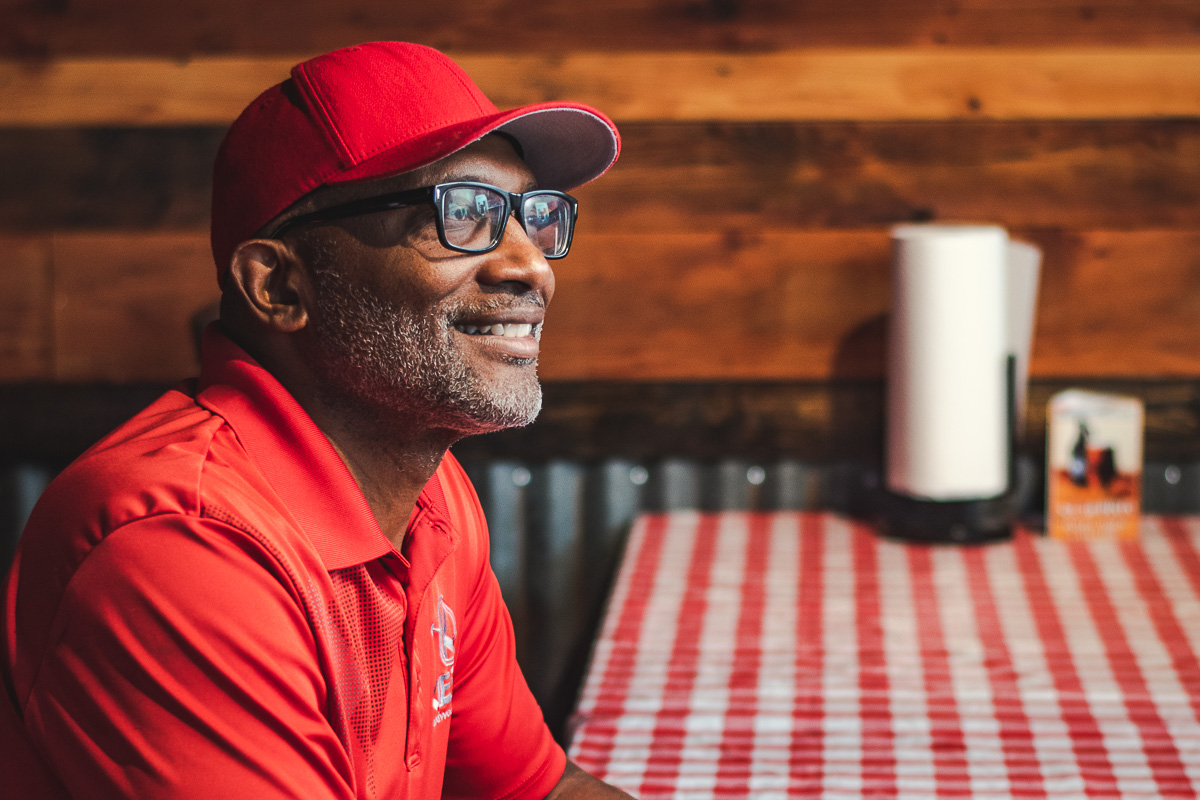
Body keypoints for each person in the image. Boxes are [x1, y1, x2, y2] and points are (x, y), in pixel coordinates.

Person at [0, 41, 633, 799]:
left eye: (536, 218)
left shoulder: (433, 498)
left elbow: (538, 790)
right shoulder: (182, 544)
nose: (531, 266)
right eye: (461, 215)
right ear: (279, 285)